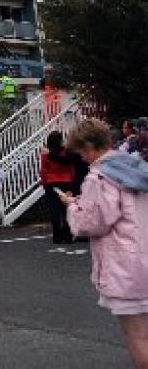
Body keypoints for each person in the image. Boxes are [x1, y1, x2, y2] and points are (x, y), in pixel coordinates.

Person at [60, 119, 148, 368]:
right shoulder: (137, 166)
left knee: (138, 335)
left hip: (126, 264)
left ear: (88, 146)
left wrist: (72, 206)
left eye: (80, 152)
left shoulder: (100, 177)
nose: (82, 158)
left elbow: (93, 223)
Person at [39, 131, 81, 243]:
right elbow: (71, 167)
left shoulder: (45, 153)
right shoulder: (66, 151)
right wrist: (72, 181)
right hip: (67, 181)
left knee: (54, 210)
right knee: (67, 209)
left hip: (51, 182)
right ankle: (67, 236)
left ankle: (57, 236)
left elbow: (44, 170)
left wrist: (44, 183)